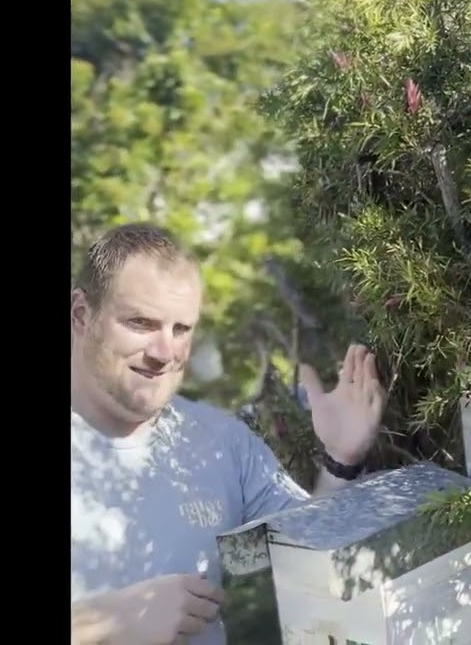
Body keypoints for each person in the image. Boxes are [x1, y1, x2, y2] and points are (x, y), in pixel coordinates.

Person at [69, 223, 386, 645]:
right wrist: (100, 625)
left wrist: (341, 459)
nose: (165, 352)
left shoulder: (221, 443)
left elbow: (312, 557)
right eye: (141, 322)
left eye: (181, 329)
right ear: (81, 315)